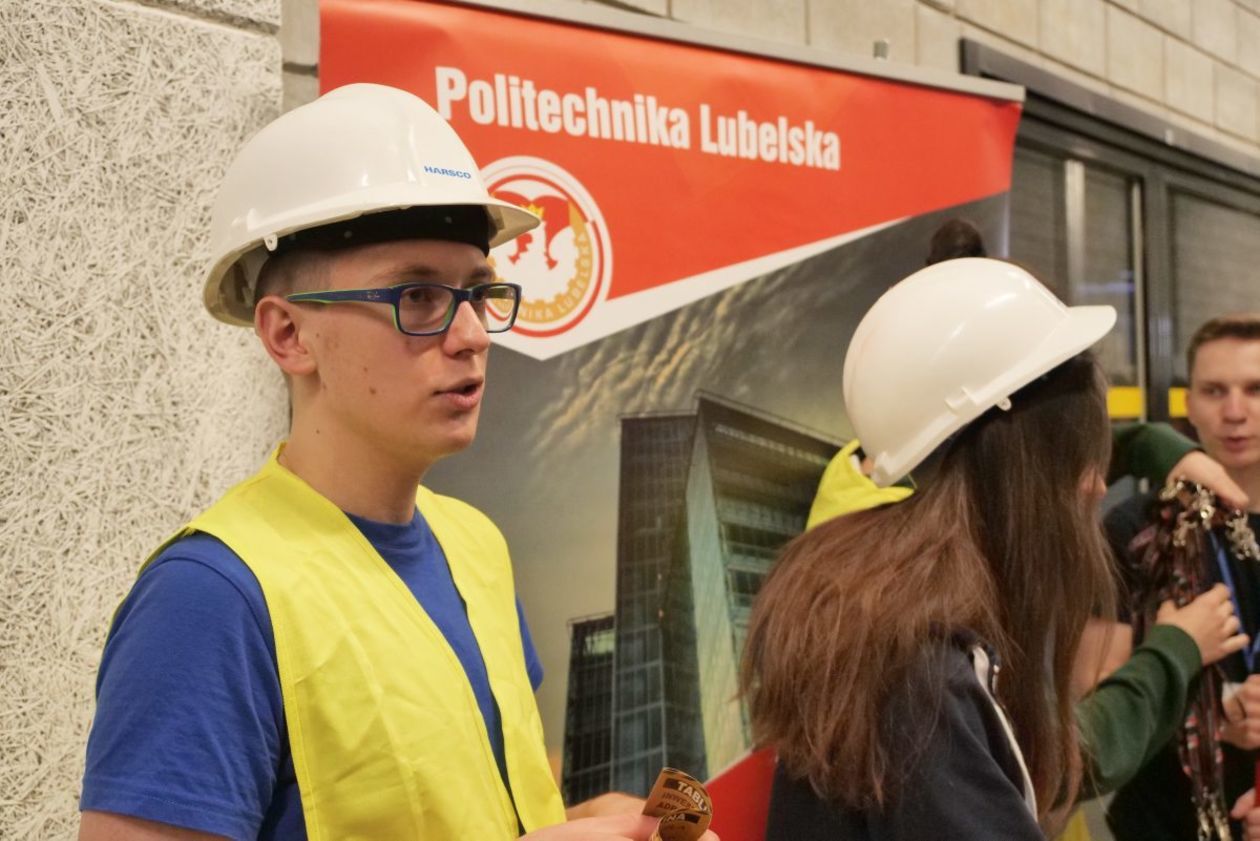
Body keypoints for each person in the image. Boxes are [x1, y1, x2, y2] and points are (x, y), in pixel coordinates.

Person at [78, 84, 714, 841]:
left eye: (478, 292)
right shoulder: (210, 598)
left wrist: (593, 822)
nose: (473, 335)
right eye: (418, 297)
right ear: (288, 336)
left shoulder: (475, 545)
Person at [742, 257, 1157, 839]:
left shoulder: (873, 608)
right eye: (1082, 459)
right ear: (1033, 467)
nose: (1095, 486)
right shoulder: (925, 676)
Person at [1105, 314, 1260, 841]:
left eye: (1255, 389)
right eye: (1215, 391)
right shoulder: (1138, 530)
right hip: (1162, 821)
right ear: (1188, 405)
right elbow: (1098, 690)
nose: (1235, 412)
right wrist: (1209, 715)